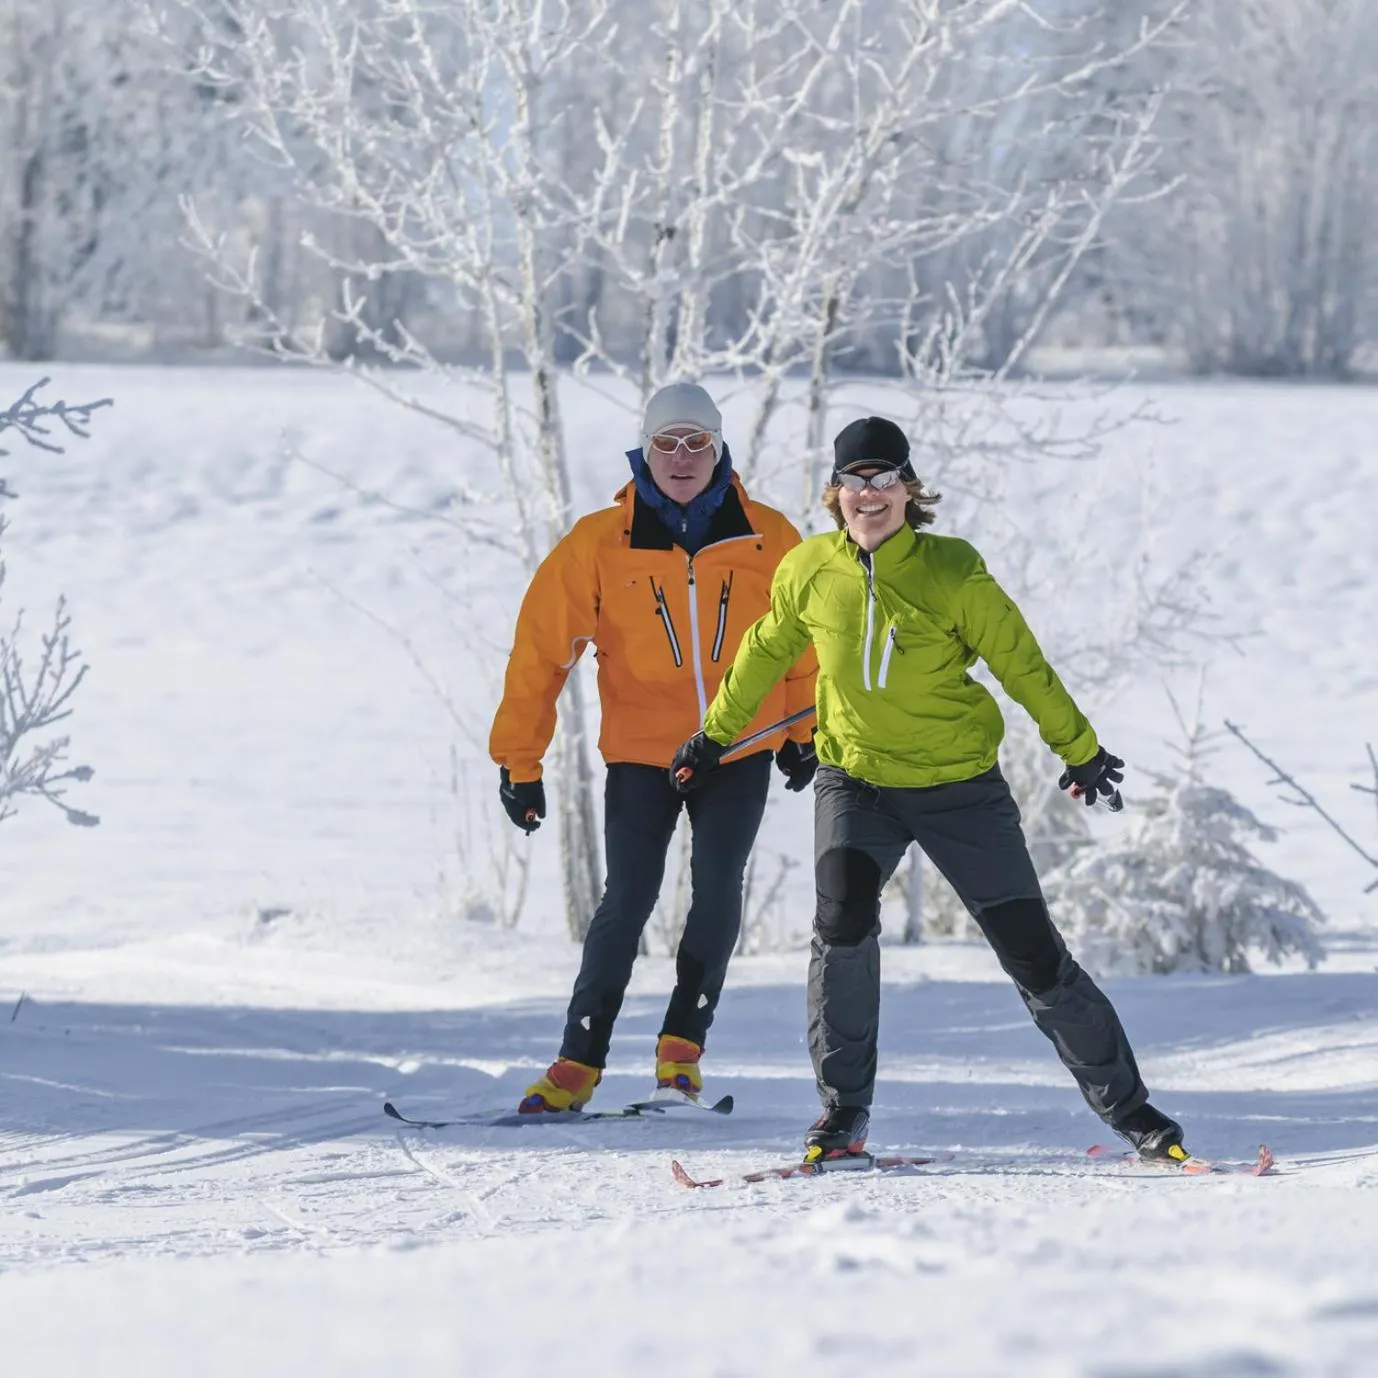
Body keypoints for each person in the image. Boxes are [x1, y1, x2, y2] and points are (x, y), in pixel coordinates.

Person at [670, 415, 1189, 1163]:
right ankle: (842, 1112)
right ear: (835, 493)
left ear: (910, 490)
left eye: (885, 479)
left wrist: (1079, 750)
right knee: (841, 930)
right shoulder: (810, 569)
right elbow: (763, 650)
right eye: (856, 480)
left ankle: (1133, 1112)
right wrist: (713, 736)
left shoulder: (953, 571)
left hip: (960, 789)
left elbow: (1020, 663)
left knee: (1034, 956)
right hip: (856, 781)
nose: (870, 494)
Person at [490, 382, 818, 1113]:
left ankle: (681, 1054)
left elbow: (804, 640)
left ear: (718, 450)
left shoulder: (771, 538)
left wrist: (803, 729)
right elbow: (540, 654)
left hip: (737, 746)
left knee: (716, 891)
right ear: (645, 448)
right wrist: (521, 761)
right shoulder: (599, 542)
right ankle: (577, 1063)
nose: (681, 457)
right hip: (642, 750)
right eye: (667, 442)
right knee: (628, 898)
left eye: (696, 443)